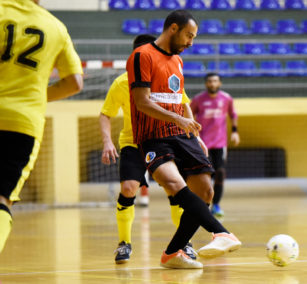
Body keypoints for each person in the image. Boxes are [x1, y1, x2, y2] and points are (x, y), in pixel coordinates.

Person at [126, 10, 241, 269]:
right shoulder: (141, 56)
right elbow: (142, 102)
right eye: (189, 35)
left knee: (206, 191)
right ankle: (221, 232)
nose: (191, 42)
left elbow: (179, 100)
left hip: (182, 135)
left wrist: (192, 132)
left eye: (194, 37)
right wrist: (177, 119)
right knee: (172, 182)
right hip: (153, 137)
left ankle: (173, 252)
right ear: (173, 29)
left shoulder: (177, 60)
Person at [100, 34, 197, 264]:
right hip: (133, 143)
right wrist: (107, 141)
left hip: (164, 141)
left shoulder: (167, 75)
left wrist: (192, 135)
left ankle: (185, 244)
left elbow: (184, 105)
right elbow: (105, 114)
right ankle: (124, 243)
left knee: (176, 191)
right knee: (128, 187)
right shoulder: (122, 83)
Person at [0, 0, 83, 253]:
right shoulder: (55, 26)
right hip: (23, 122)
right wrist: (33, 95)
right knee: (2, 198)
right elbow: (75, 83)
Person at [190, 73, 240, 217]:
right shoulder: (199, 99)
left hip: (219, 144)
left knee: (220, 173)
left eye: (215, 81)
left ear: (220, 83)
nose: (212, 83)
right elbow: (188, 115)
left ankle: (216, 204)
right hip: (202, 144)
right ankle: (202, 205)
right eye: (210, 81)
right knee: (203, 176)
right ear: (206, 84)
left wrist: (235, 131)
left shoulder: (226, 98)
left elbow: (233, 115)